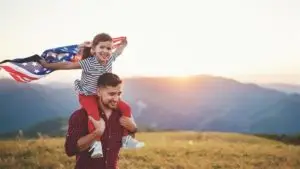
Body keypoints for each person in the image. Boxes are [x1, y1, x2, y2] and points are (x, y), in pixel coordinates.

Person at [39, 33, 144, 158]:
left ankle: (126, 138)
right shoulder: (88, 63)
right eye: (102, 47)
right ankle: (96, 143)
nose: (105, 51)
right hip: (87, 95)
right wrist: (48, 65)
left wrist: (123, 45)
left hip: (102, 95)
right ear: (93, 50)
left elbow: (119, 52)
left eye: (108, 48)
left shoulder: (110, 59)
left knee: (126, 108)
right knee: (94, 117)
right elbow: (67, 65)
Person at [65, 73, 141, 169]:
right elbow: (70, 150)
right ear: (98, 92)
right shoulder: (80, 116)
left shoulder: (121, 115)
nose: (116, 98)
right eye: (111, 94)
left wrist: (133, 129)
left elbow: (123, 143)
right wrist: (96, 133)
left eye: (119, 94)